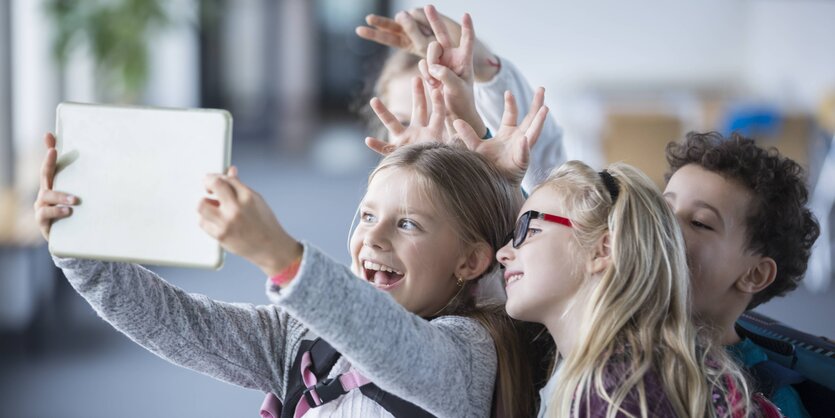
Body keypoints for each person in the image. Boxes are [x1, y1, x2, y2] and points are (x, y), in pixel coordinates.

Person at [34, 82, 543, 417]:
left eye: (408, 223)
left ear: (471, 261)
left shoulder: (470, 353)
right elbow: (176, 324)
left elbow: (392, 344)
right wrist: (81, 248)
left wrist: (280, 255)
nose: (375, 237)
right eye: (367, 215)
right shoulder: (304, 336)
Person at [497, 160, 762, 417]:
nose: (503, 253)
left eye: (529, 231)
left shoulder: (617, 393)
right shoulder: (626, 372)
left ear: (603, 249)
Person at [664, 132, 820, 418]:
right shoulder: (618, 331)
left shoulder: (770, 400)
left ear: (755, 274)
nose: (666, 225)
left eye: (699, 222)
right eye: (664, 208)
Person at [356, 4, 565, 193]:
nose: (425, 139)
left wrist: (484, 65)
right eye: (403, 122)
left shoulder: (497, 204)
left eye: (441, 118)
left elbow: (549, 184)